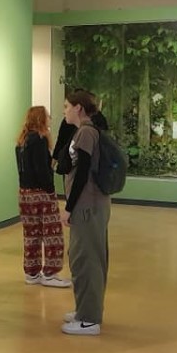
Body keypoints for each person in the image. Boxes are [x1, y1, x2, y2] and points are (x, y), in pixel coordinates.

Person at [60, 90, 111, 335]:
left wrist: (68, 207)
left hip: (86, 206)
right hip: (88, 205)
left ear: (78, 108)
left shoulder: (86, 133)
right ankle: (85, 310)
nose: (64, 111)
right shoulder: (85, 131)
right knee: (84, 257)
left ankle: (89, 319)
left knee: (86, 260)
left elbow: (82, 173)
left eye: (67, 106)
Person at [15, 106, 71, 288]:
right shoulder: (39, 139)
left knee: (31, 234)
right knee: (52, 233)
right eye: (47, 115)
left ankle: (31, 273)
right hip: (41, 194)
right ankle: (50, 273)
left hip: (25, 194)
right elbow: (41, 169)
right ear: (40, 119)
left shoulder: (21, 142)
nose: (50, 118)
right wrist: (50, 189)